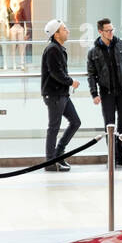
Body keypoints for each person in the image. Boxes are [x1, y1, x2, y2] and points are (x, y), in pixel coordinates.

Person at [87, 18, 122, 167]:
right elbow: (91, 75)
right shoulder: (93, 51)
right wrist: (94, 93)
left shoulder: (121, 44)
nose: (111, 33)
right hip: (107, 92)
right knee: (109, 125)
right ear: (100, 32)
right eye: (108, 30)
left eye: (112, 29)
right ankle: (113, 157)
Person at [41, 19, 81, 172]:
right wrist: (71, 82)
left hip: (61, 94)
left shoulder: (58, 48)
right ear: (56, 34)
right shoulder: (52, 49)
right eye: (64, 29)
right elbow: (56, 73)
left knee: (75, 122)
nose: (67, 31)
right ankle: (50, 161)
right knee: (54, 127)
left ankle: (58, 153)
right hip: (54, 94)